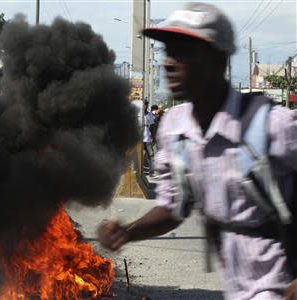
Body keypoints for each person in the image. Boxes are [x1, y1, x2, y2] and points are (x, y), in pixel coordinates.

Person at [97, 2, 297, 299]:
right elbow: (175, 206)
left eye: (184, 51)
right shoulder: (176, 130)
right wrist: (129, 231)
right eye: (168, 51)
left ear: (219, 60)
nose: (168, 62)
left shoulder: (271, 126)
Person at [142, 101, 156, 176]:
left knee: (151, 155)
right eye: (144, 105)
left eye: (146, 105)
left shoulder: (149, 115)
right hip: (139, 139)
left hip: (147, 138)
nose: (145, 107)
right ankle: (142, 171)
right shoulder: (138, 114)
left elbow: (153, 127)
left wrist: (153, 138)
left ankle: (152, 172)